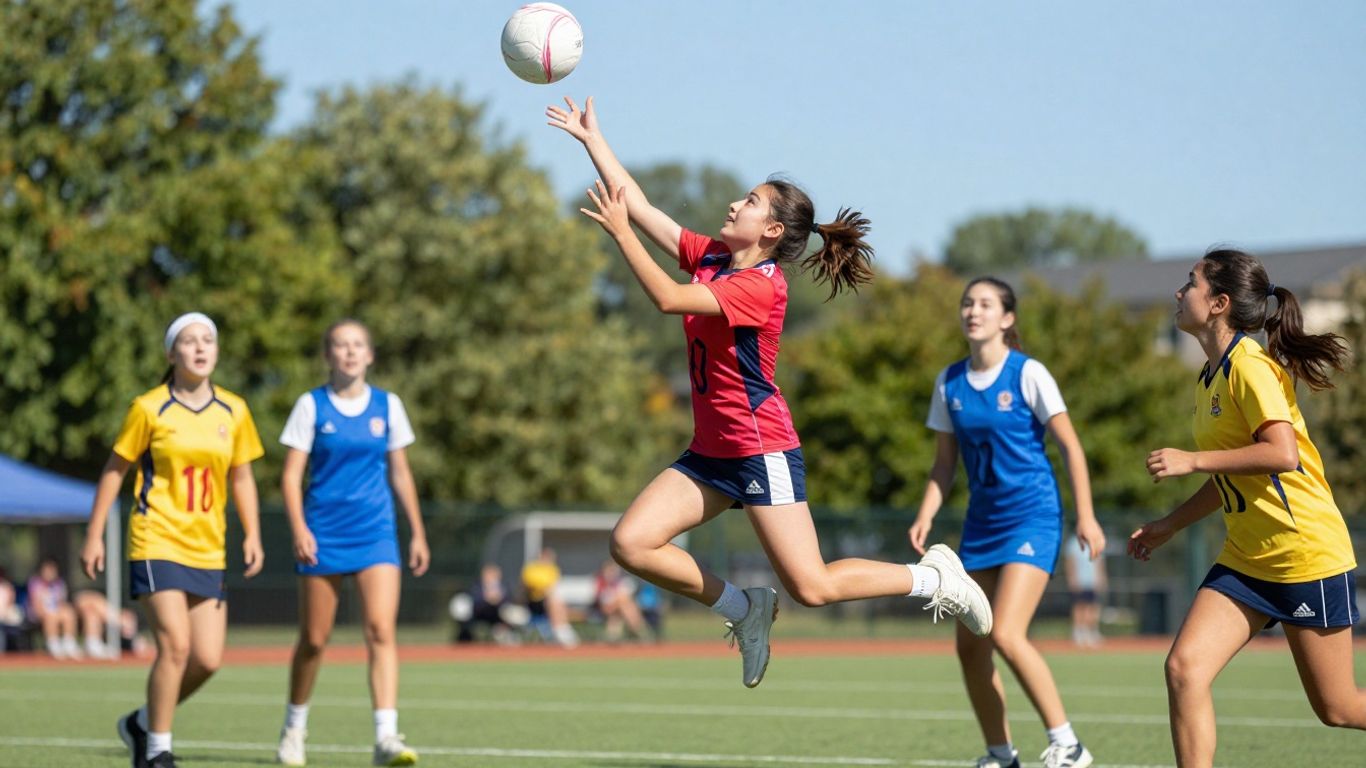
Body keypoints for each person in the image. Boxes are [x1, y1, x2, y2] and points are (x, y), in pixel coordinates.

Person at [549, 96, 991, 688]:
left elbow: (666, 298)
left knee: (812, 586)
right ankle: (745, 609)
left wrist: (622, 236)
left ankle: (933, 577)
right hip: (712, 452)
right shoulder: (714, 258)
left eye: (750, 201)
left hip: (761, 450)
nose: (735, 203)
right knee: (631, 543)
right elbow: (641, 202)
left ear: (773, 230)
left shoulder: (762, 285)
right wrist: (591, 140)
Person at [1128, 249, 1362, 767]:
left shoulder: (1250, 367)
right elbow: (1232, 475)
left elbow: (1282, 454)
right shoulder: (1209, 376)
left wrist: (1193, 459)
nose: (1178, 293)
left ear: (1218, 303)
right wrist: (1169, 525)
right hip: (1247, 559)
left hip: (1305, 557)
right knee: (1185, 668)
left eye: (1189, 283)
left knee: (1340, 708)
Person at [908, 277, 1104, 768]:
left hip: (1032, 518)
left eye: (986, 304)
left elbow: (1070, 445)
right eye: (968, 303)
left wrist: (1086, 514)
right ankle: (1001, 754)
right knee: (970, 648)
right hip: (981, 526)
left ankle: (1069, 744)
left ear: (1007, 318)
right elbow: (943, 464)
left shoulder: (1028, 373)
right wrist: (927, 511)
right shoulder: (948, 382)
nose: (973, 311)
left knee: (1007, 634)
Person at [81, 311, 265, 768]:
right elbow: (114, 471)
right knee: (176, 646)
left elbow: (242, 478)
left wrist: (254, 533)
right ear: (171, 353)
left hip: (209, 546)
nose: (201, 348)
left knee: (207, 659)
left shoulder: (235, 410)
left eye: (208, 340)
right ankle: (157, 751)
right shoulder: (149, 408)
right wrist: (94, 534)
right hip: (156, 539)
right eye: (189, 341)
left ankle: (140, 724)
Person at [274, 319, 428, 768]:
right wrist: (299, 528)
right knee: (314, 640)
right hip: (323, 533)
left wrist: (416, 530)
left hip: (376, 532)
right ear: (329, 355)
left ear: (370, 354)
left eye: (358, 344)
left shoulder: (388, 405)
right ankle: (294, 728)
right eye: (340, 345)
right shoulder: (310, 406)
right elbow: (289, 476)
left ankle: (386, 738)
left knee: (381, 630)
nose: (349, 352)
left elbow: (400, 472)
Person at [522, 547, 579, 648]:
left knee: (555, 600)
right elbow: (530, 586)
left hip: (549, 601)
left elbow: (553, 586)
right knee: (553, 600)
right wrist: (544, 589)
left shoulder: (552, 569)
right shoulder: (531, 569)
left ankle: (561, 627)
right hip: (534, 602)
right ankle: (561, 629)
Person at [25, 556, 81, 659]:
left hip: (56, 612)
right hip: (39, 614)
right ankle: (53, 644)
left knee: (68, 612)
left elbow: (61, 603)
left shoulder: (59, 584)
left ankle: (69, 643)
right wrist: (51, 612)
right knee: (51, 616)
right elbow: (37, 605)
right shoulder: (35, 583)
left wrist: (59, 611)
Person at [74, 588, 151, 658]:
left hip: (123, 641)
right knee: (89, 608)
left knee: (91, 613)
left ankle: (93, 644)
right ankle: (93, 644)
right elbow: (82, 601)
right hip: (120, 633)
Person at [1063, 534, 1106, 647]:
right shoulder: (1073, 543)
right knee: (1079, 606)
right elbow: (1070, 562)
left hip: (1092, 581)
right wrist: (1072, 579)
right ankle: (1078, 632)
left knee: (1093, 607)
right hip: (1079, 581)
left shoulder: (1097, 540)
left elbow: (1100, 562)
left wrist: (1101, 578)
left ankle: (1092, 631)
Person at [593, 560, 649, 643]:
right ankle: (640, 631)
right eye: (610, 570)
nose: (612, 573)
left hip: (618, 609)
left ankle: (612, 636)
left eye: (614, 571)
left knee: (623, 608)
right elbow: (601, 601)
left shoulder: (621, 582)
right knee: (625, 603)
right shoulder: (600, 582)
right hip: (604, 609)